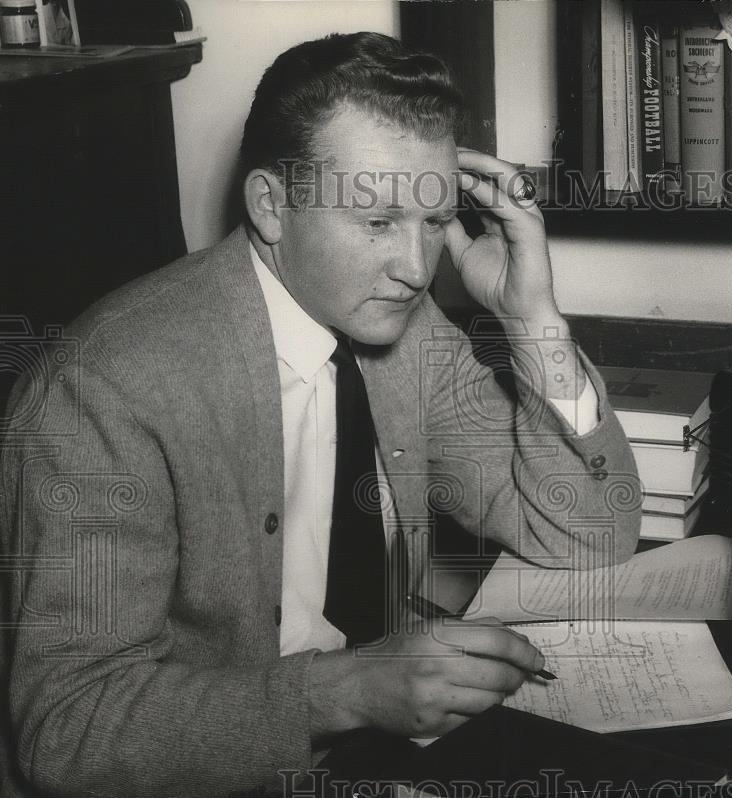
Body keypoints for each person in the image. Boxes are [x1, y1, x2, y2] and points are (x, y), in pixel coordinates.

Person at [0, 32, 640, 797]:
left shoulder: (408, 331)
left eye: (435, 222)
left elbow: (589, 530)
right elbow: (68, 732)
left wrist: (532, 320)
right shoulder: (104, 389)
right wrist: (344, 690)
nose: (415, 266)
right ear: (273, 206)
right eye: (377, 222)